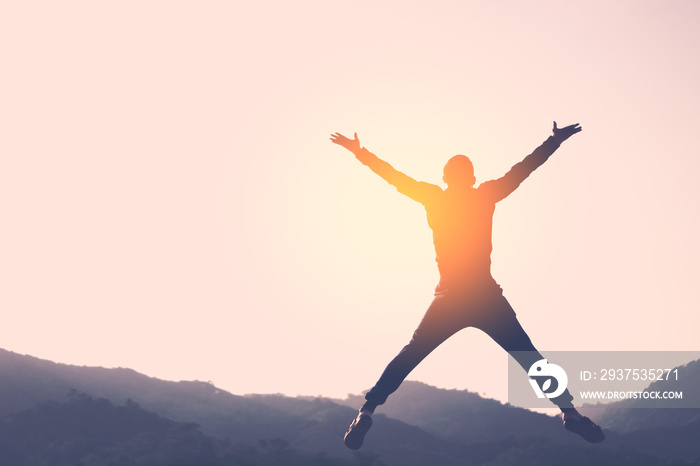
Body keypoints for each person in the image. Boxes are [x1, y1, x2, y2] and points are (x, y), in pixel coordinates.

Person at [330, 122, 604, 450]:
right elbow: (524, 169)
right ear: (472, 179)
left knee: (410, 354)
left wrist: (359, 152)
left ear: (445, 178)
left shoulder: (433, 197)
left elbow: (392, 175)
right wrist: (553, 141)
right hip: (486, 298)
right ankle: (569, 412)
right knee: (530, 357)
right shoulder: (485, 194)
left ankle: (367, 411)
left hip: (449, 299)